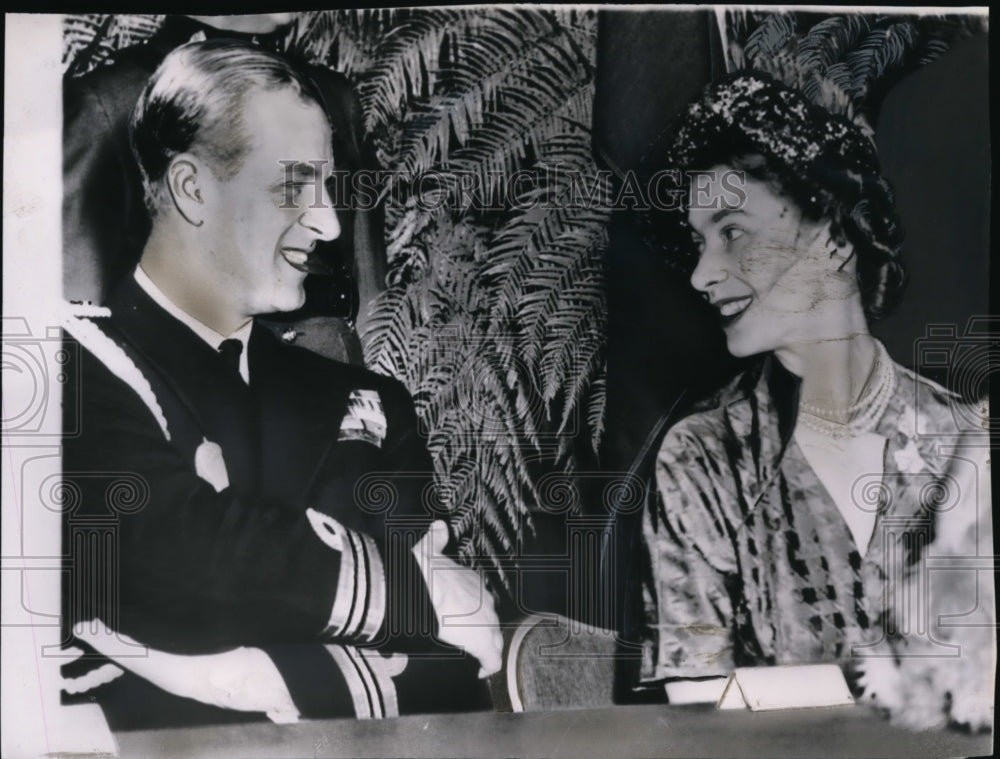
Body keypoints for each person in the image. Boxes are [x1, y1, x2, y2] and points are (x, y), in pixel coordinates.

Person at [60, 39, 501, 730]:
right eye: (296, 185)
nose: (327, 223)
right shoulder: (67, 371)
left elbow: (457, 668)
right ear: (192, 189)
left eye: (329, 188)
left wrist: (238, 674)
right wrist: (409, 596)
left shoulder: (372, 405)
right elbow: (171, 557)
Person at [632, 73, 993, 729]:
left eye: (732, 231)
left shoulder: (966, 441)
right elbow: (696, 701)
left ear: (830, 233)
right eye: (698, 241)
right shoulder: (706, 457)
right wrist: (910, 674)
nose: (700, 272)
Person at [62, 13, 387, 364]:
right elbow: (78, 318)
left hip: (332, 391)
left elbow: (372, 299)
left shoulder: (332, 96)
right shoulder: (109, 103)